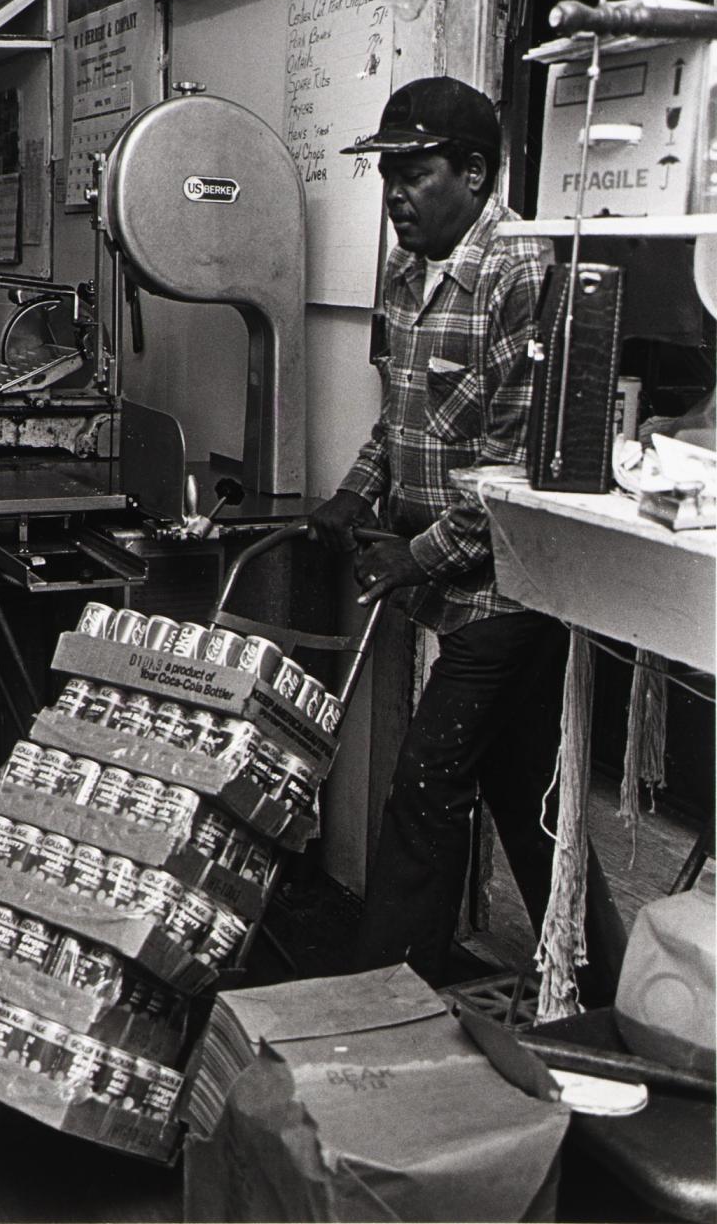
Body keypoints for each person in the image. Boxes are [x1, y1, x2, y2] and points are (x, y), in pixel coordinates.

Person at [309, 76, 623, 995]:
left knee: (426, 782)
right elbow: (400, 420)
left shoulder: (521, 268)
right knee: (527, 792)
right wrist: (350, 498)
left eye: (416, 172)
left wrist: (410, 558)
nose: (395, 192)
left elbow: (514, 474)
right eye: (388, 173)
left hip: (511, 586)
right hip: (453, 580)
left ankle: (385, 998)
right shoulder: (408, 267)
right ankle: (601, 988)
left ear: (476, 173)